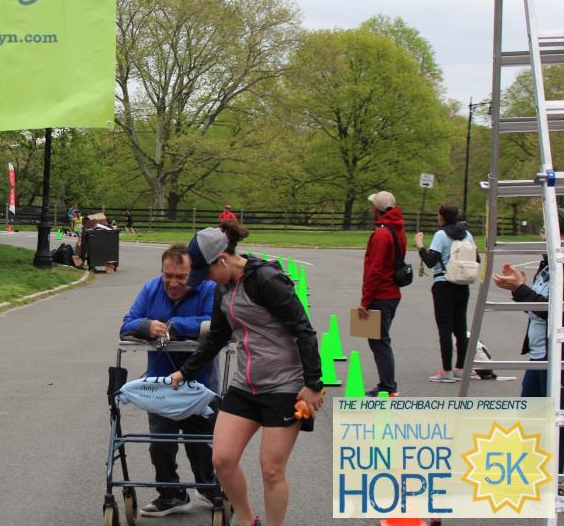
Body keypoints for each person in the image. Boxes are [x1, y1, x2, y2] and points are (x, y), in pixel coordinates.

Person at [169, 221, 323, 526]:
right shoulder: (222, 290)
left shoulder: (267, 279)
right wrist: (185, 372)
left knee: (271, 470)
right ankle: (247, 521)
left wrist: (313, 384)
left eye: (207, 271)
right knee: (222, 459)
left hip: (284, 386)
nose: (206, 279)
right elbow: (216, 337)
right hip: (245, 385)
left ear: (223, 259)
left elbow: (303, 329)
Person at [120, 244, 219, 517]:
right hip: (160, 384)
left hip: (199, 383)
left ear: (193, 274)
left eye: (181, 277)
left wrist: (175, 325)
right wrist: (146, 326)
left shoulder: (209, 289)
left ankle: (208, 486)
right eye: (168, 275)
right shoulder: (151, 289)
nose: (173, 283)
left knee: (201, 443)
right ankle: (171, 494)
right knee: (160, 443)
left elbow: (216, 323)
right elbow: (127, 324)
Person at [492, 209, 564, 490]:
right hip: (538, 354)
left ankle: (556, 480)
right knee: (529, 418)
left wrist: (521, 289)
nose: (542, 236)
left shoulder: (560, 264)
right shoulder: (547, 265)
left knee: (553, 422)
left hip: (554, 356)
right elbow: (537, 308)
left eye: (547, 231)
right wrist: (517, 288)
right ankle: (531, 473)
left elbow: (554, 313)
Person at [415, 204, 475, 383]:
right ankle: (460, 368)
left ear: (442, 217)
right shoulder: (467, 234)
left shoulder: (441, 235)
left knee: (445, 329)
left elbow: (431, 261)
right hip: (462, 284)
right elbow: (476, 257)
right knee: (460, 328)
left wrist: (420, 246)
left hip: (444, 283)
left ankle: (447, 371)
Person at [359, 191, 406, 397]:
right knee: (380, 340)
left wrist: (365, 300)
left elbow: (375, 269)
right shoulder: (398, 230)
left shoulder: (381, 234)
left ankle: (388, 386)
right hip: (392, 292)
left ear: (376, 209)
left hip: (381, 294)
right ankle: (387, 384)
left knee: (379, 341)